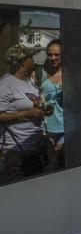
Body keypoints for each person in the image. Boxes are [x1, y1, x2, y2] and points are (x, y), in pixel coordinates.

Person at [0, 44, 47, 183]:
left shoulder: (30, 81)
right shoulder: (5, 85)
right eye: (30, 56)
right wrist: (27, 112)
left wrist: (39, 105)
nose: (33, 60)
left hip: (34, 146)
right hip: (14, 151)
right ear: (23, 61)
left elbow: (30, 101)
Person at [40, 39, 64, 169]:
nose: (53, 58)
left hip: (65, 130)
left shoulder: (71, 75)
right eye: (50, 55)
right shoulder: (43, 74)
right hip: (47, 130)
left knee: (60, 167)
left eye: (56, 54)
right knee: (48, 168)